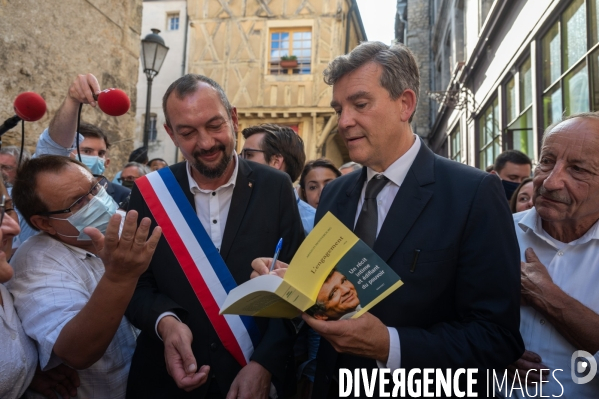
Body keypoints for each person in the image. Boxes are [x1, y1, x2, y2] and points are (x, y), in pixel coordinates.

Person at [253, 41, 523, 397]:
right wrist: (293, 284)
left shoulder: (473, 193)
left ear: (405, 104)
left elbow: (497, 338)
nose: (344, 121)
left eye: (360, 104)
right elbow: (333, 295)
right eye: (339, 108)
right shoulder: (336, 194)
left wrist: (389, 345)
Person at [124, 74, 304, 398]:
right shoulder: (150, 194)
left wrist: (265, 364)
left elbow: (299, 286)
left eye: (214, 125)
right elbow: (135, 285)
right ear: (170, 133)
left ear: (233, 118)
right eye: (188, 132)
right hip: (165, 383)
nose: (205, 143)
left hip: (255, 381)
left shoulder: (276, 187)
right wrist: (165, 322)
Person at [7, 155, 162, 398]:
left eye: (95, 187)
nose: (96, 201)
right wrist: (119, 278)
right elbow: (77, 352)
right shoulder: (37, 262)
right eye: (78, 202)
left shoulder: (124, 225)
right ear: (45, 223)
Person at [504, 113, 599, 398]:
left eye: (577, 169)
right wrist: (488, 352)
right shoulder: (494, 233)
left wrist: (545, 295)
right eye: (546, 161)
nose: (550, 181)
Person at [34, 73, 131, 205]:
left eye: (101, 153)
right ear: (68, 153)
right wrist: (72, 101)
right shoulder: (47, 185)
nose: (96, 158)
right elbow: (54, 147)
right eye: (87, 151)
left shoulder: (125, 196)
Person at [241, 123, 315, 235]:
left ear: (276, 161)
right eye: (240, 156)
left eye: (249, 155)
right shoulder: (237, 213)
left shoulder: (314, 224)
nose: (240, 162)